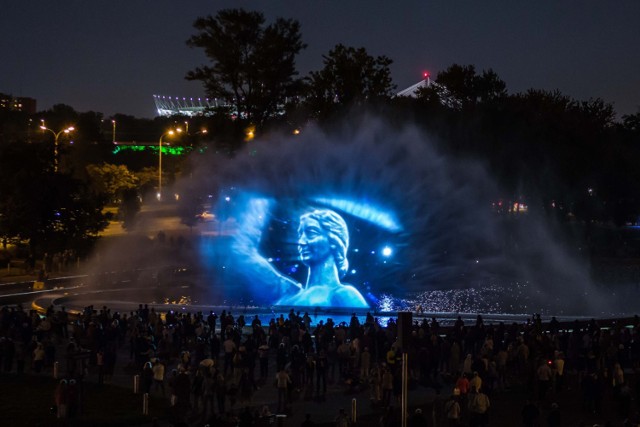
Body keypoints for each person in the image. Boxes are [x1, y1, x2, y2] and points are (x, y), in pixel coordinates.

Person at [275, 209, 369, 308]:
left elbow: (363, 322)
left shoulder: (344, 294)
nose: (301, 242)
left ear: (334, 241)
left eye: (311, 233)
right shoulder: (291, 297)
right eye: (300, 235)